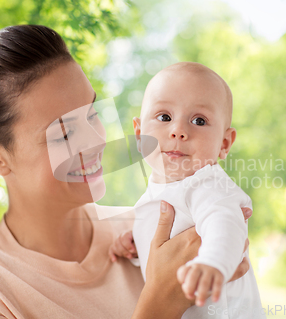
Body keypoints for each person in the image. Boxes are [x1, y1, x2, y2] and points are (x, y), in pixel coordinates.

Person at [0, 25, 253, 319]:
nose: (95, 141)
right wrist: (160, 305)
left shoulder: (154, 230)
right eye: (64, 133)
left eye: (92, 113)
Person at [110, 62, 265, 319]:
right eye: (164, 117)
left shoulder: (208, 184)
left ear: (224, 144)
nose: (178, 131)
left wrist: (213, 262)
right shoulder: (154, 195)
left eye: (199, 120)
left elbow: (225, 226)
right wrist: (136, 243)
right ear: (139, 135)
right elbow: (164, 253)